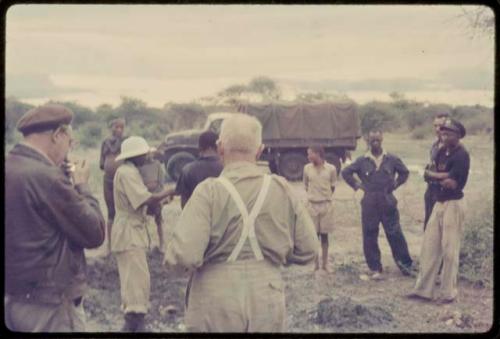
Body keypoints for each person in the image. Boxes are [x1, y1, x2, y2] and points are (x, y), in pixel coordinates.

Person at [164, 114, 318, 332]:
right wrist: (273, 257)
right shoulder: (281, 188)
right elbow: (309, 249)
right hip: (267, 291)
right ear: (260, 150)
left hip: (215, 294)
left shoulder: (209, 191)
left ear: (220, 148)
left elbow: (182, 257)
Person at [5, 104, 106, 332]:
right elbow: (95, 233)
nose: (68, 151)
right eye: (70, 142)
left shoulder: (12, 165)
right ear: (58, 135)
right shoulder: (46, 177)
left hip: (15, 296)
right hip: (49, 302)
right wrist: (82, 186)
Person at [111, 136, 174, 332]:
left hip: (131, 229)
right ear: (136, 155)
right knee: (135, 281)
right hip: (128, 230)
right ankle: (135, 324)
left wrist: (161, 199)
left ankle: (135, 322)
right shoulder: (127, 173)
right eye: (145, 153)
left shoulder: (129, 172)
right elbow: (145, 199)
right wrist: (169, 191)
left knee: (137, 279)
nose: (148, 156)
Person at [407, 119, 470, 304]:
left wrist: (433, 176)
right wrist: (436, 176)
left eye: (449, 133)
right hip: (439, 202)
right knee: (430, 246)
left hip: (453, 204)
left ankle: (448, 293)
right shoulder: (441, 150)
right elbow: (435, 173)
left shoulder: (462, 155)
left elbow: (450, 182)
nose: (444, 135)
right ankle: (423, 290)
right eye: (443, 132)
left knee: (450, 251)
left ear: (458, 135)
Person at [341, 129, 414, 280]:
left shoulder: (391, 159)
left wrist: (395, 184)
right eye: (372, 140)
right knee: (369, 234)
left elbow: (404, 172)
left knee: (395, 233)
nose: (375, 143)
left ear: (382, 140)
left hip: (387, 201)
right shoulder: (362, 161)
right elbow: (346, 172)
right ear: (368, 142)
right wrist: (357, 186)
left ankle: (405, 266)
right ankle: (375, 268)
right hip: (369, 203)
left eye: (378, 140)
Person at [303, 146, 337, 272]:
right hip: (312, 206)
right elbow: (306, 185)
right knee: (313, 236)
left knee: (324, 236)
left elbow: (333, 186)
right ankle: (315, 264)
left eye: (310, 154)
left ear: (317, 154)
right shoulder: (307, 168)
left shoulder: (331, 169)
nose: (308, 157)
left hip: (326, 206)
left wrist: (324, 197)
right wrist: (314, 197)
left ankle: (325, 264)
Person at [173, 130, 223, 209]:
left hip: (197, 217)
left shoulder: (188, 170)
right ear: (217, 146)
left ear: (200, 147)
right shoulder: (227, 167)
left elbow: (184, 204)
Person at [99, 118, 127, 254]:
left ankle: (122, 243)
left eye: (122, 127)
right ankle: (109, 245)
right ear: (112, 128)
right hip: (108, 180)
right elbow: (101, 163)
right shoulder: (105, 142)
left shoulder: (126, 142)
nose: (120, 130)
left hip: (122, 181)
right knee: (111, 212)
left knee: (123, 211)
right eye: (117, 127)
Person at [423, 112, 449, 230]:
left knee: (441, 227)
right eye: (435, 126)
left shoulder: (452, 147)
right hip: (431, 189)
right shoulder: (434, 145)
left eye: (441, 126)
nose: (437, 129)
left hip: (445, 192)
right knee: (428, 225)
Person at [138, 149, 167, 251]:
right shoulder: (140, 167)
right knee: (142, 220)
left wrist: (159, 196)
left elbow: (161, 182)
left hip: (156, 195)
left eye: (150, 153)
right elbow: (139, 183)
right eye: (147, 153)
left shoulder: (157, 164)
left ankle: (162, 243)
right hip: (145, 196)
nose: (149, 155)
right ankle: (147, 243)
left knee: (158, 220)